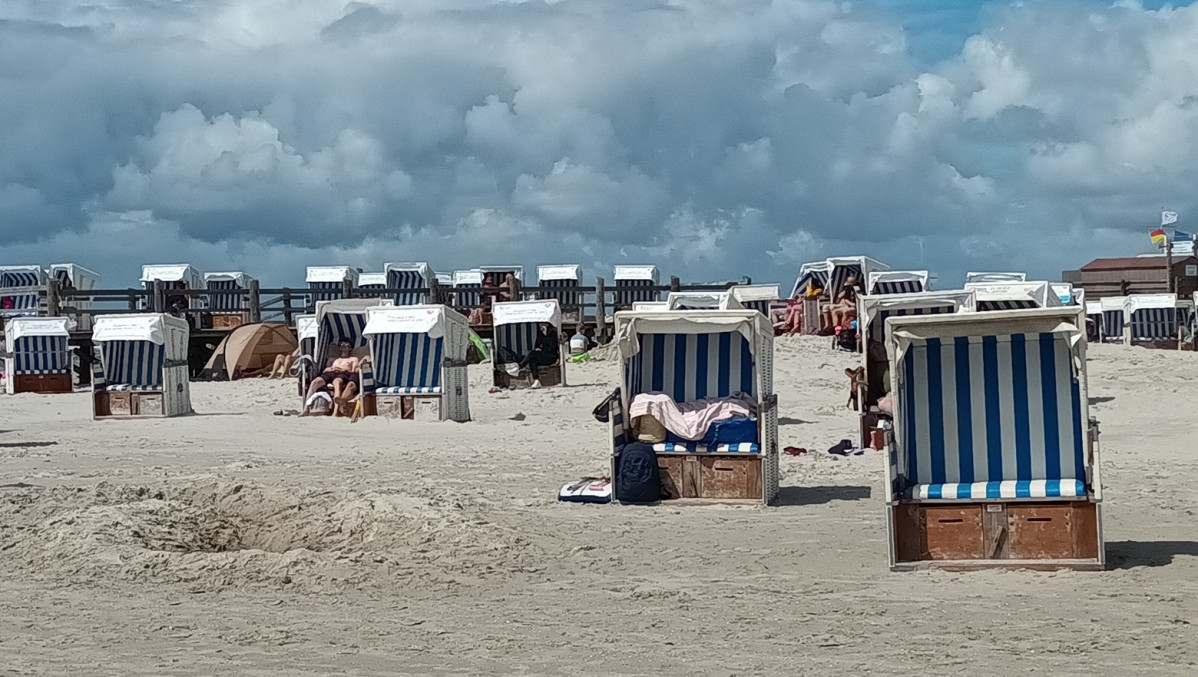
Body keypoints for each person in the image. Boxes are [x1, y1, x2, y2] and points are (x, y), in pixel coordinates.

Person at [302, 340, 368, 416]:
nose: (343, 348)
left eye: (346, 346)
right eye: (341, 346)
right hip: (330, 373)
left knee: (337, 382)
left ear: (350, 348)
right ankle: (305, 409)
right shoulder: (336, 359)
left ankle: (336, 411)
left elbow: (353, 371)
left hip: (343, 373)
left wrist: (342, 370)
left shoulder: (353, 359)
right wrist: (328, 369)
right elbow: (328, 368)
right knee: (315, 382)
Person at [519, 322, 560, 387]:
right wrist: (538, 348)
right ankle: (536, 379)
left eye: (542, 324)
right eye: (539, 325)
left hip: (551, 356)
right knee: (532, 359)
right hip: (543, 355)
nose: (540, 326)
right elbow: (537, 345)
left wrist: (542, 348)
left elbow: (552, 347)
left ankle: (519, 367)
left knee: (532, 354)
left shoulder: (552, 334)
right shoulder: (540, 334)